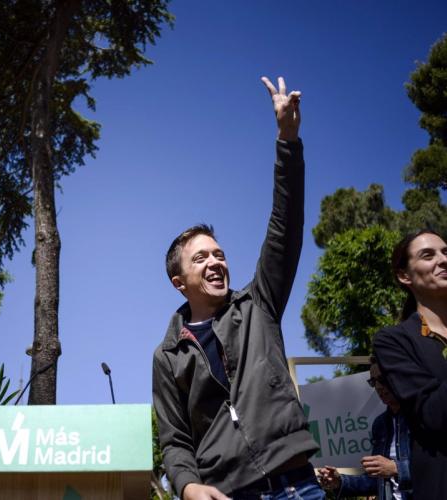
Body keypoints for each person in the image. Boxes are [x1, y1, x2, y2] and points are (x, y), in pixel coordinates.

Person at [152, 77, 322, 500]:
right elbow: (174, 439)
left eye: (219, 254)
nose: (216, 262)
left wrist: (287, 141)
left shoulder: (258, 304)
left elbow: (285, 227)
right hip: (228, 493)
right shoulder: (168, 357)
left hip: (298, 485)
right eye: (201, 258)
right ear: (179, 283)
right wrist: (188, 486)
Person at [373, 230, 447, 499]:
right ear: (404, 276)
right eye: (428, 255)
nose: (444, 260)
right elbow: (436, 415)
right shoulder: (394, 340)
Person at [318, 357, 412, 499]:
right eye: (373, 382)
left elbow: (439, 468)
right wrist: (339, 481)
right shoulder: (380, 424)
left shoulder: (423, 415)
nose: (378, 387)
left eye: (382, 379)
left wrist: (396, 468)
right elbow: (375, 481)